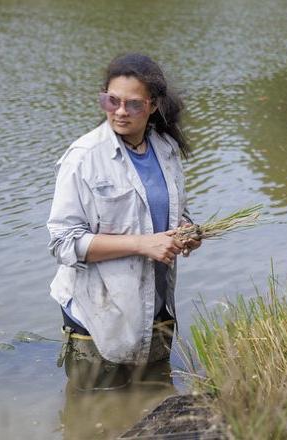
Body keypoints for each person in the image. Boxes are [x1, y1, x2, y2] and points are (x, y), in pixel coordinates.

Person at [47, 53, 200, 390]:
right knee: (93, 409)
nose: (119, 111)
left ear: (153, 105)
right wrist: (144, 244)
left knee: (154, 394)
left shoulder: (166, 149)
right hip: (97, 311)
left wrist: (188, 231)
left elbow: (174, 212)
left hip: (156, 304)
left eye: (133, 104)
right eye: (111, 100)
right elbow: (63, 243)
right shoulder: (83, 158)